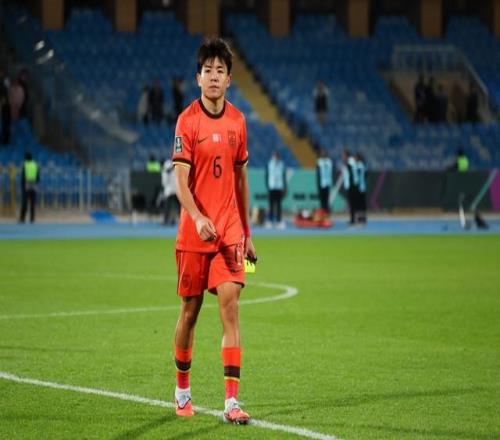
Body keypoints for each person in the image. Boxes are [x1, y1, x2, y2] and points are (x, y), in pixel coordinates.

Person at [171, 37, 256, 424]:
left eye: (220, 71)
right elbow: (180, 182)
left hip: (229, 234)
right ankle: (182, 390)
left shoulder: (239, 121)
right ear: (198, 78)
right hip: (194, 234)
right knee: (190, 311)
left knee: (231, 308)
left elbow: (240, 180)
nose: (214, 76)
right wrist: (197, 216)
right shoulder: (187, 121)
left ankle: (232, 402)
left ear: (229, 79)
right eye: (208, 70)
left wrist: (247, 232)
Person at [265, 150, 287, 229]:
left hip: (279, 187)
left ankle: (278, 221)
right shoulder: (269, 164)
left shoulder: (282, 164)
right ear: (272, 156)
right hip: (272, 187)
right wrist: (267, 186)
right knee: (271, 205)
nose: (275, 157)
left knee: (278, 205)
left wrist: (285, 187)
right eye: (274, 155)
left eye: (276, 156)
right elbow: (267, 176)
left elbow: (284, 176)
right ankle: (270, 221)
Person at [19, 152, 39, 223]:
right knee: (32, 202)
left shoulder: (25, 164)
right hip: (34, 184)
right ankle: (32, 218)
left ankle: (22, 218)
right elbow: (38, 176)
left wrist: (22, 186)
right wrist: (36, 183)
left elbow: (23, 176)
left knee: (24, 202)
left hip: (26, 184)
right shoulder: (35, 164)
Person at [341, 149, 358, 226]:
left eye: (343, 155)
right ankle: (352, 219)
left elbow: (351, 174)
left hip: (351, 185)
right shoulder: (351, 161)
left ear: (346, 155)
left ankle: (353, 220)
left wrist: (351, 184)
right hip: (352, 184)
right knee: (352, 203)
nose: (342, 157)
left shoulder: (350, 162)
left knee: (352, 203)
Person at [160, 158, 179, 225]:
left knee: (172, 206)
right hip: (172, 190)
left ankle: (168, 219)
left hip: (173, 190)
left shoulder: (168, 167)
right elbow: (164, 183)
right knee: (170, 206)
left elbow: (164, 183)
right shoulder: (165, 171)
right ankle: (167, 219)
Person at [316, 148, 333, 213]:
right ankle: (323, 213)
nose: (323, 154)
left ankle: (327, 212)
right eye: (322, 153)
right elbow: (318, 173)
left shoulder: (329, 161)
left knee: (326, 199)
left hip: (327, 182)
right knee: (322, 199)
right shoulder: (319, 162)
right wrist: (318, 183)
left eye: (324, 152)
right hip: (321, 183)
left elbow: (330, 172)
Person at [355, 153, 367, 225]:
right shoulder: (363, 165)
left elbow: (358, 176)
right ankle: (363, 217)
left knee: (359, 203)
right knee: (362, 203)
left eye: (356, 157)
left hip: (359, 187)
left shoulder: (359, 165)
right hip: (363, 186)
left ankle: (360, 218)